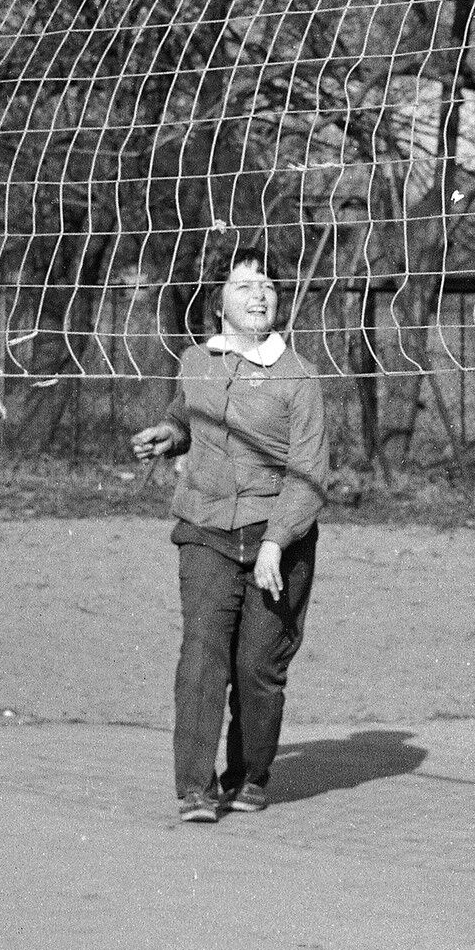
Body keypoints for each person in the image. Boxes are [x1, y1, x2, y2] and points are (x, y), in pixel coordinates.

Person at [132, 253, 328, 822]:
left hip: (278, 540)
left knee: (258, 668)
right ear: (219, 304)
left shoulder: (299, 376)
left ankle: (249, 777)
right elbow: (187, 417)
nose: (259, 294)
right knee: (201, 658)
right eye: (243, 285)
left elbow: (309, 474)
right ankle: (195, 788)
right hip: (206, 530)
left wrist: (276, 540)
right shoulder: (196, 362)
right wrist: (169, 436)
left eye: (267, 283)